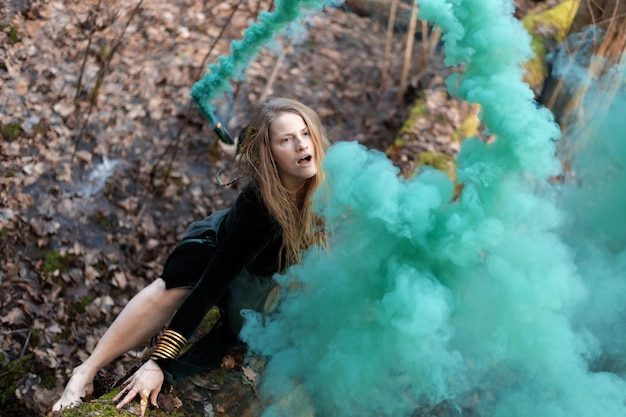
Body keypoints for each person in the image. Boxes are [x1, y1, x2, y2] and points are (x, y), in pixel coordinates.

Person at [51, 97, 331, 417]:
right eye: (286, 139)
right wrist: (159, 361)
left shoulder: (330, 175)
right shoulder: (259, 211)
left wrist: (234, 148)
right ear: (269, 155)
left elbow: (247, 141)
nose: (300, 144)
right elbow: (213, 282)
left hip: (260, 272)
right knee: (174, 287)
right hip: (217, 247)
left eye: (305, 133)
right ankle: (84, 372)